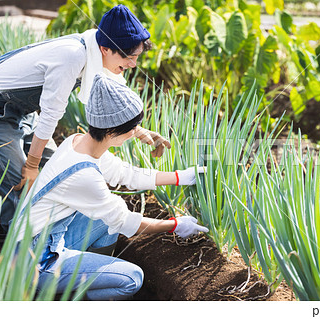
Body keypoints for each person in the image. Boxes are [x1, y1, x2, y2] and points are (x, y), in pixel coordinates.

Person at [14, 73, 209, 300]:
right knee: (132, 278)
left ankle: (84, 277)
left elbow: (125, 173)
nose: (135, 133)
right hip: (36, 262)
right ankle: (66, 296)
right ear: (110, 131)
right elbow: (125, 221)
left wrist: (179, 177)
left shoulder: (78, 142)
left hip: (41, 239)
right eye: (132, 128)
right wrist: (176, 225)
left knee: (104, 221)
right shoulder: (83, 174)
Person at [0, 5, 169, 239]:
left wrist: (139, 132)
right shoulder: (72, 55)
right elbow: (51, 112)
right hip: (0, 112)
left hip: (24, 111)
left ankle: (45, 234)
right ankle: (10, 247)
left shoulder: (97, 52)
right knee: (19, 179)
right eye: (129, 57)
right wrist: (31, 165)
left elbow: (116, 103)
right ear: (106, 49)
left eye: (136, 57)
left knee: (55, 167)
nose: (133, 64)